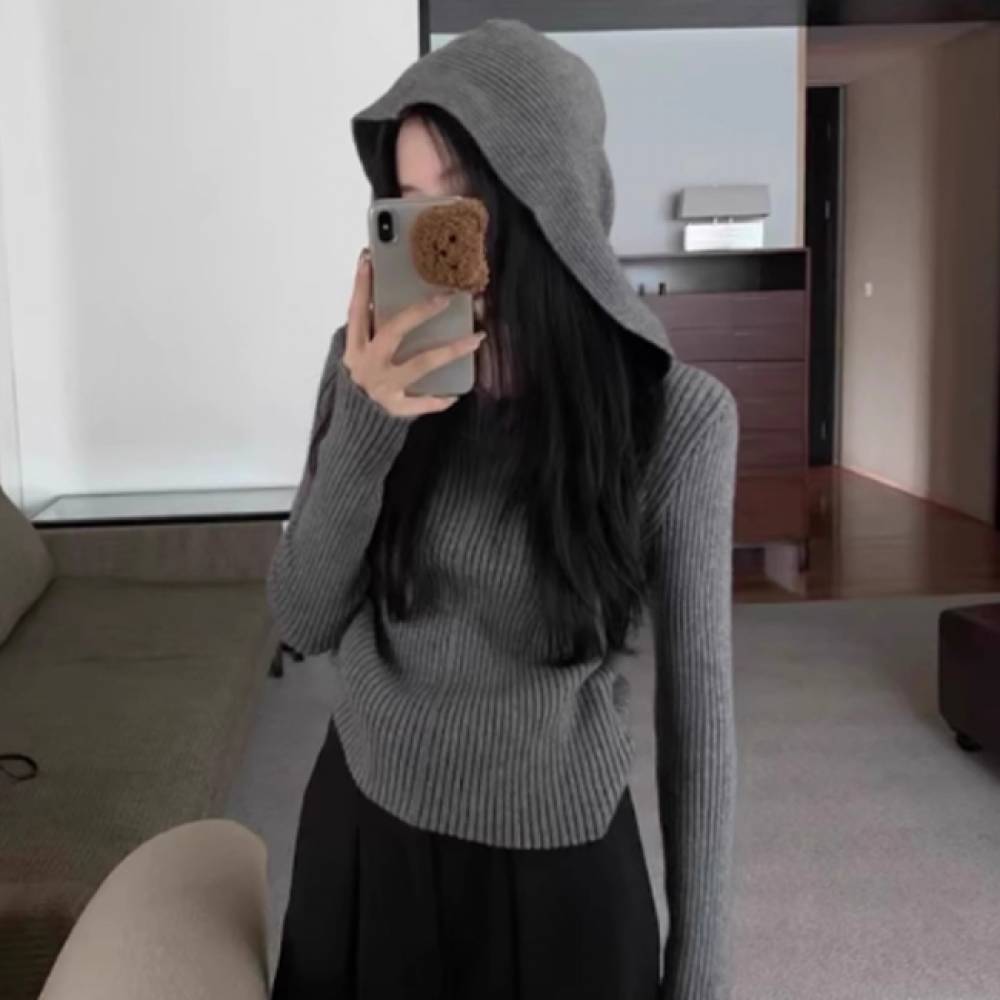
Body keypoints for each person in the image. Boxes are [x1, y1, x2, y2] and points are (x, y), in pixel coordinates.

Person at [267, 18, 738, 1000]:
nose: (429, 240)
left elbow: (698, 720)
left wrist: (702, 974)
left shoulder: (676, 420)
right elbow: (303, 618)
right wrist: (369, 420)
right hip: (365, 836)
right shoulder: (362, 366)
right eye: (407, 206)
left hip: (560, 868)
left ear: (545, 202)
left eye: (459, 201)